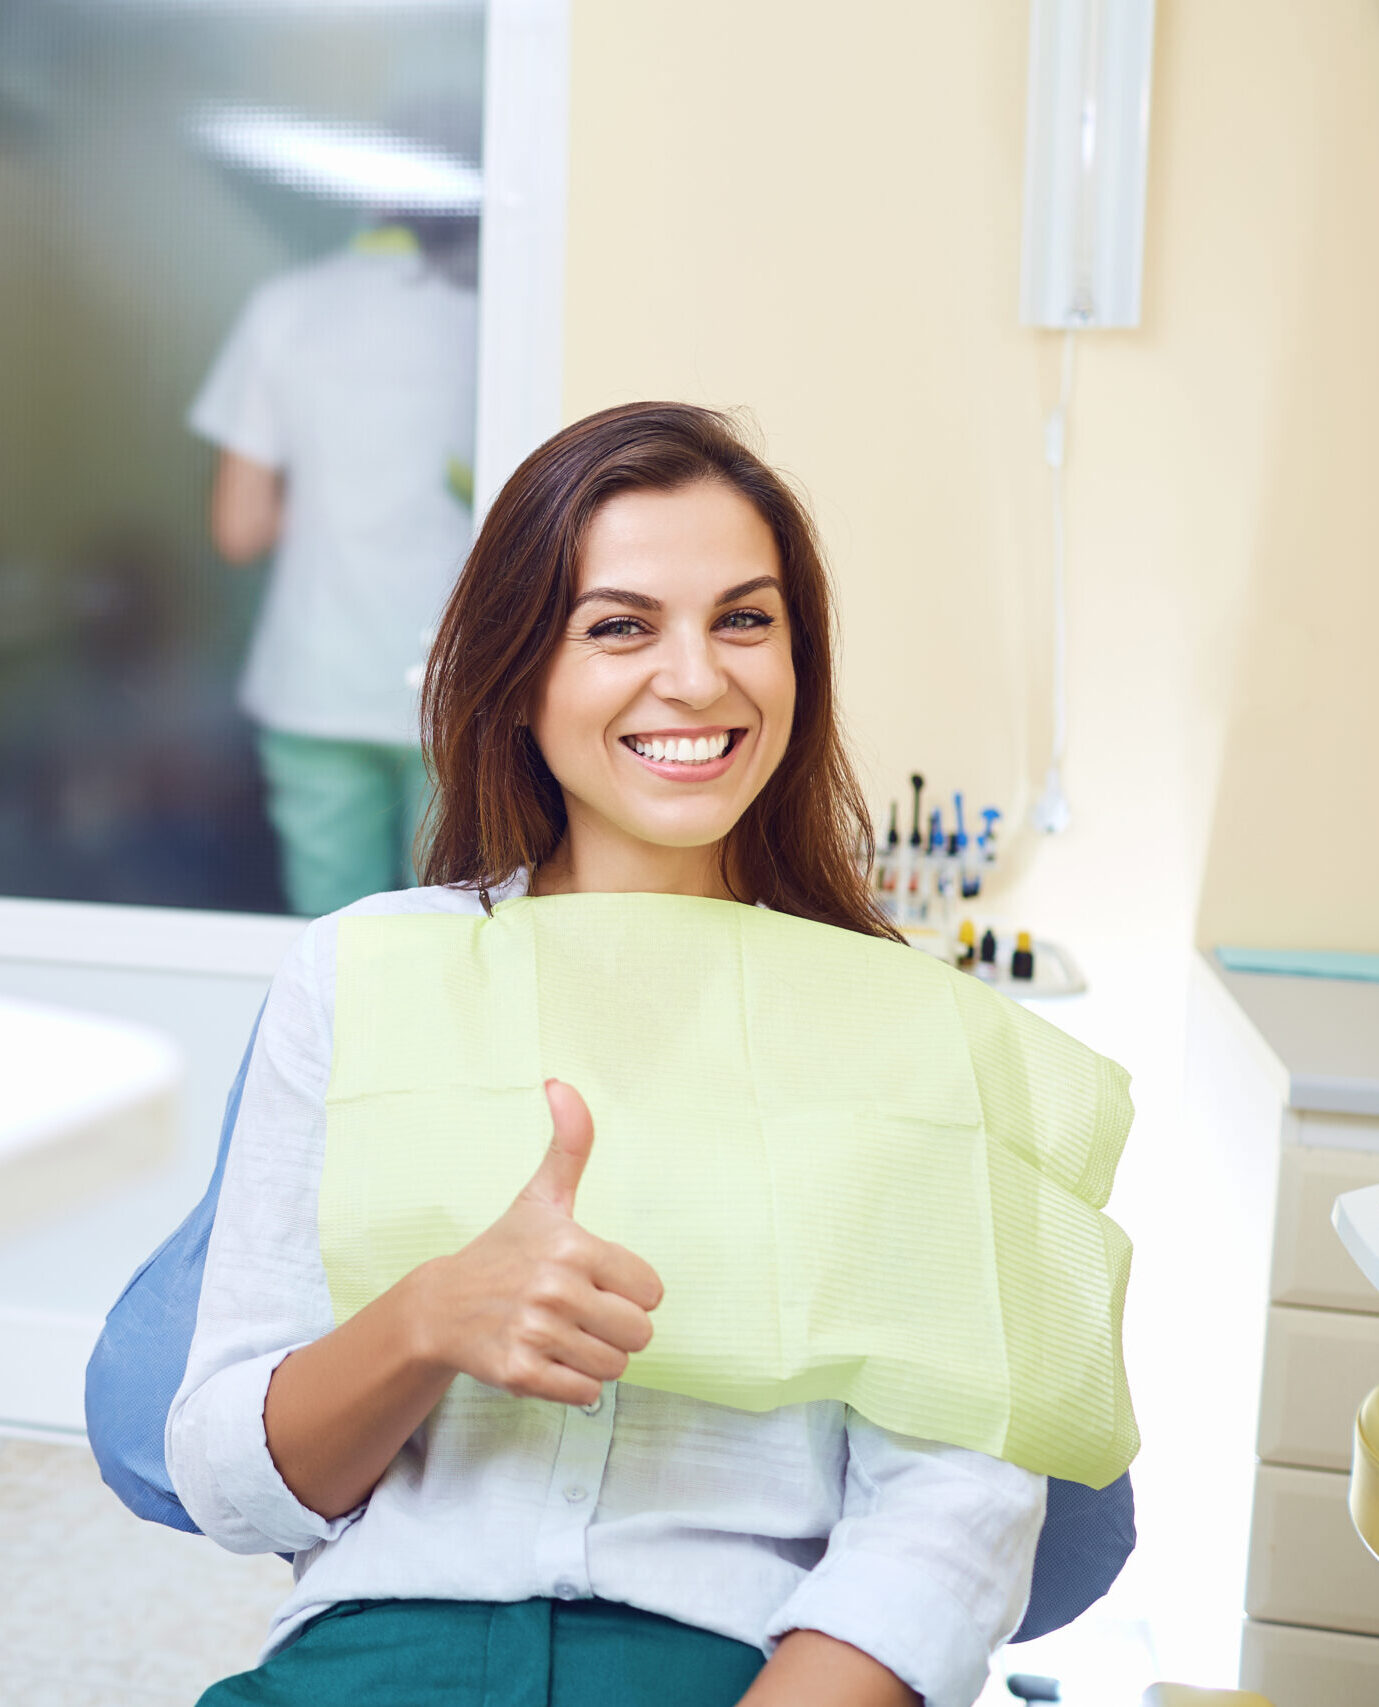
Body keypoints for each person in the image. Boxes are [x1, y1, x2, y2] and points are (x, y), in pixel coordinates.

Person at [164, 402, 1108, 1707]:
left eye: (743, 618)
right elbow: (228, 1479)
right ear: (518, 671)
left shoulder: (910, 1024)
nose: (697, 677)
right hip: (375, 1654)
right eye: (619, 624)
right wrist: (429, 1315)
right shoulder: (357, 973)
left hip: (733, 1663)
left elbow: (949, 1516)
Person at [188, 211, 478, 917]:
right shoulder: (495, 311)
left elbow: (239, 527)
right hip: (461, 672)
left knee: (326, 944)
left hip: (315, 674)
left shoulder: (288, 305)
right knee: (446, 933)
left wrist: (327, 509)